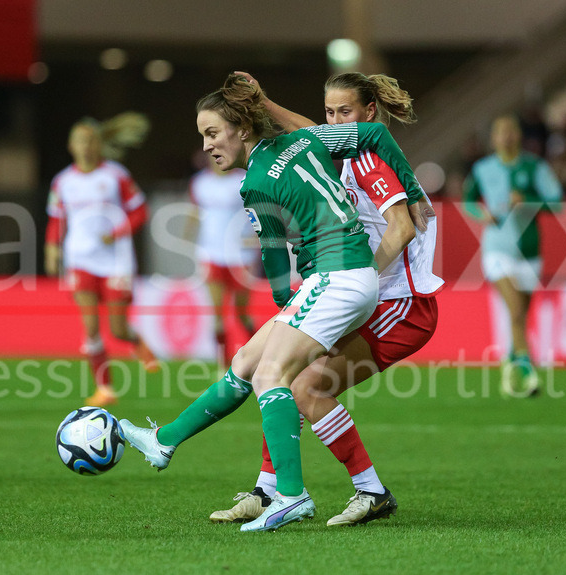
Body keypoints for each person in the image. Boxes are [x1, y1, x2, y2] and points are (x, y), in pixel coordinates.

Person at [119, 73, 424, 532]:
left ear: (242, 130)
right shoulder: (303, 140)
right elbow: (376, 134)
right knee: (246, 359)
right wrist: (415, 189)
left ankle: (291, 495)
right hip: (348, 276)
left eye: (211, 133)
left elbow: (275, 262)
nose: (205, 146)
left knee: (271, 376)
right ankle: (164, 440)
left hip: (337, 276)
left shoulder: (257, 181)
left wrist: (287, 306)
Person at [207, 71, 442, 527]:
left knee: (304, 385)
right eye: (328, 112)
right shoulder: (337, 153)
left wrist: (351, 278)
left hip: (401, 304)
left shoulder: (373, 161)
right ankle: (268, 490)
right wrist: (264, 100)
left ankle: (370, 490)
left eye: (343, 113)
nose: (331, 122)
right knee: (283, 370)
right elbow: (307, 132)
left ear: (368, 114)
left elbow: (402, 228)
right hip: (370, 300)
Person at [44, 114, 159, 407]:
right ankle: (105, 388)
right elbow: (56, 219)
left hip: (115, 261)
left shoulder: (115, 175)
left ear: (99, 144)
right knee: (91, 328)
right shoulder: (63, 182)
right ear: (71, 146)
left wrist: (117, 231)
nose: (86, 146)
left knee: (117, 329)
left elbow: (139, 212)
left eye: (91, 140)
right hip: (80, 260)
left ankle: (136, 342)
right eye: (80, 141)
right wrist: (52, 249)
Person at [463, 115, 563, 397]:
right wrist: (481, 213)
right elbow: (468, 200)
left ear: (519, 135)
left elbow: (556, 202)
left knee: (519, 316)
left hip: (530, 253)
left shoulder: (535, 166)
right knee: (516, 310)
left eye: (511, 131)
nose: (506, 136)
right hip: (496, 250)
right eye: (500, 132)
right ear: (493, 138)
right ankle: (529, 373)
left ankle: (510, 365)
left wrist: (529, 202)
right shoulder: (483, 169)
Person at [184, 152, 257, 367]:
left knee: (241, 312)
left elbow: (255, 209)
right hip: (210, 253)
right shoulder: (199, 183)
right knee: (217, 312)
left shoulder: (242, 180)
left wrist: (255, 235)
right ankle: (224, 364)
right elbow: (196, 210)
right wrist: (188, 232)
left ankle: (256, 355)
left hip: (240, 255)